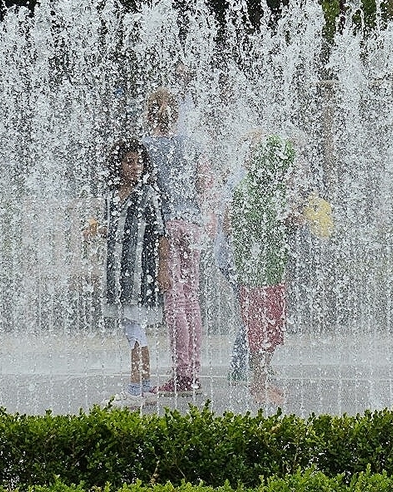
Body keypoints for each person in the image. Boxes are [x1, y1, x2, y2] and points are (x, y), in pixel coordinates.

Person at [84, 137, 169, 408]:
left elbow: (161, 234)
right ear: (118, 165)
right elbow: (114, 229)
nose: (134, 167)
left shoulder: (149, 195)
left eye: (139, 162)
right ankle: (146, 388)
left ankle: (135, 390)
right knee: (131, 328)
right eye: (128, 162)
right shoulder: (111, 196)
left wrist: (162, 269)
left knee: (135, 329)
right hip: (117, 272)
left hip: (139, 272)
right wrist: (96, 230)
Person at [143, 88, 213, 395]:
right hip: (192, 225)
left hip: (167, 227)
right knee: (192, 299)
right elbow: (203, 185)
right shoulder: (193, 145)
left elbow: (146, 192)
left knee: (174, 302)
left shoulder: (146, 147)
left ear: (149, 114)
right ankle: (193, 371)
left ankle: (182, 375)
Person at [228, 134, 301, 405]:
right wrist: (287, 218)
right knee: (259, 332)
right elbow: (248, 227)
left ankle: (263, 382)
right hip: (255, 276)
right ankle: (258, 386)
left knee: (271, 330)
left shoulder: (273, 189)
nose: (288, 172)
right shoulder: (249, 189)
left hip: (272, 271)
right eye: (284, 166)